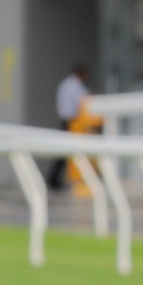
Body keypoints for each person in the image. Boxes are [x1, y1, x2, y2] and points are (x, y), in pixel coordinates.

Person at [46, 62, 91, 191]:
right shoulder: (74, 86)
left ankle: (54, 180)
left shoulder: (66, 84)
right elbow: (82, 100)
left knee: (63, 153)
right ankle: (53, 180)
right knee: (64, 153)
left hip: (67, 121)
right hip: (71, 122)